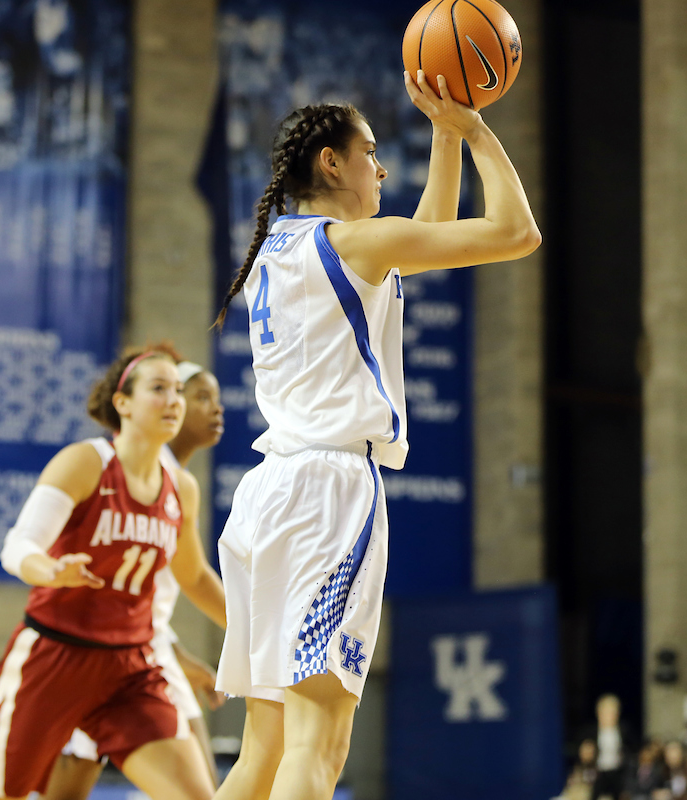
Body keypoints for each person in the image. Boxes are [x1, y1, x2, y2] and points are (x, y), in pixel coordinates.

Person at [209, 70, 540, 800]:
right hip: (329, 494)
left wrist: (445, 137)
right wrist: (478, 127)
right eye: (370, 152)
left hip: (266, 499)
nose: (383, 168)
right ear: (332, 162)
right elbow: (517, 233)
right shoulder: (357, 244)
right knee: (317, 749)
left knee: (263, 753)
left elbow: (425, 233)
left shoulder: (281, 250)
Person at [0, 346, 227, 800]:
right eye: (159, 389)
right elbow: (18, 546)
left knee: (197, 795)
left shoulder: (182, 487)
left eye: (178, 390)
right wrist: (51, 570)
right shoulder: (86, 462)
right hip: (58, 654)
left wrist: (255, 634)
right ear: (123, 403)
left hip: (131, 667)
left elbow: (194, 576)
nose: (174, 401)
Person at [41, 361, 227, 799]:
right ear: (129, 404)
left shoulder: (178, 484)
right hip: (96, 648)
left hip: (138, 649)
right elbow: (182, 579)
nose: (212, 410)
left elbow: (177, 581)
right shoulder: (122, 467)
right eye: (200, 397)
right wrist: (259, 633)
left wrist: (182, 652)